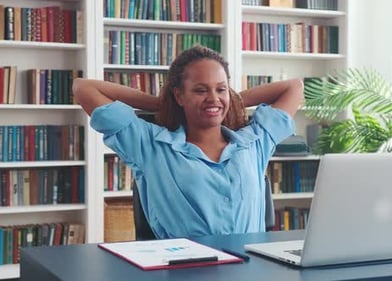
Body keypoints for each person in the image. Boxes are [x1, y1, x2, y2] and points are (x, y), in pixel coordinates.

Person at [73, 45, 304, 239]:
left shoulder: (255, 141)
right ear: (179, 95)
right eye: (200, 90)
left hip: (251, 270)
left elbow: (294, 87)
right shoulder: (150, 146)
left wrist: (228, 100)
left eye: (221, 88)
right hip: (185, 270)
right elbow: (84, 88)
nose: (213, 97)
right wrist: (160, 103)